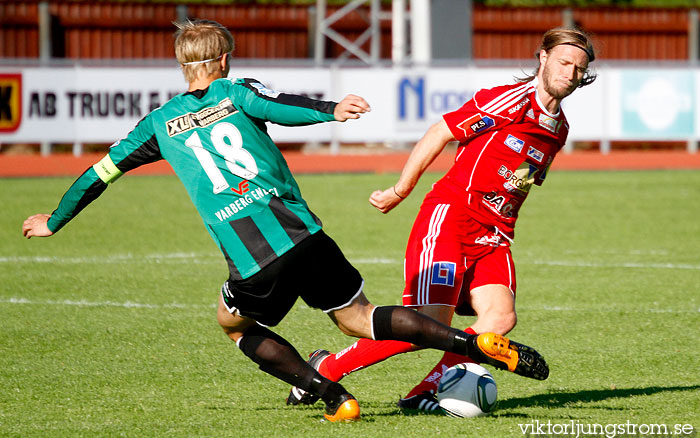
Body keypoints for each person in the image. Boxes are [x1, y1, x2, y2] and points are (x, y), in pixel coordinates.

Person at [22, 19, 549, 423]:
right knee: (360, 319)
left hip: (253, 259)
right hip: (306, 234)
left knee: (234, 325)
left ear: (183, 66)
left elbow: (100, 171)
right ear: (224, 59)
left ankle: (332, 395)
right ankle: (472, 344)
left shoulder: (157, 125)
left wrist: (57, 220)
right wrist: (331, 110)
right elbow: (279, 106)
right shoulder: (235, 92)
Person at [287, 26, 595, 413]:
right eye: (564, 62)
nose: (570, 73)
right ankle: (326, 368)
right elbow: (440, 132)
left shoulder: (559, 129)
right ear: (543, 57)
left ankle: (424, 393)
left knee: (500, 318)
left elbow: (521, 178)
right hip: (451, 217)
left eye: (579, 68)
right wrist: (400, 190)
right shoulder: (509, 101)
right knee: (426, 326)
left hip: (495, 236)